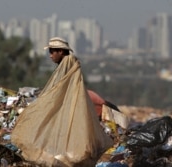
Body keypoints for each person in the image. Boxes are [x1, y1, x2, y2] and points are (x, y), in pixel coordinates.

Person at [11, 37, 113, 166]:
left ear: (60, 51)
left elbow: (59, 90)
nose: (50, 55)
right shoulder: (69, 63)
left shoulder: (68, 63)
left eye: (52, 51)